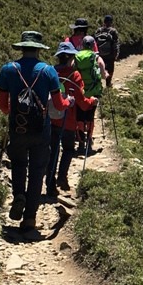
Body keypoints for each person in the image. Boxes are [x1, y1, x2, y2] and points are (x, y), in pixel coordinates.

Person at [0, 31, 72, 232]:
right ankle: (30, 217)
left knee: (19, 165)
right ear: (39, 49)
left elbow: (3, 106)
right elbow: (59, 103)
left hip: (17, 127)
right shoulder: (48, 72)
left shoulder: (8, 70)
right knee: (38, 170)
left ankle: (18, 195)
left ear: (21, 47)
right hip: (41, 129)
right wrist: (69, 102)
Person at [45, 42, 99, 197]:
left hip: (51, 119)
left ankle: (50, 184)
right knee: (68, 149)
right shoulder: (75, 76)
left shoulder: (52, 72)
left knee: (52, 151)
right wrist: (92, 102)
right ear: (71, 58)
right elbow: (81, 101)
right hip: (68, 120)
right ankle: (62, 177)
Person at [74, 35, 108, 156]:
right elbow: (103, 75)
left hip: (80, 93)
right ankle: (89, 140)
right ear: (93, 45)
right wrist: (106, 75)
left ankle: (80, 143)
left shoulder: (76, 57)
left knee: (79, 116)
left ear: (82, 45)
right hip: (93, 93)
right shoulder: (97, 58)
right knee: (90, 117)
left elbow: (73, 73)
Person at [94, 14, 120, 88]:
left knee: (98, 68)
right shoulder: (113, 31)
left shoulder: (99, 30)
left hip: (99, 54)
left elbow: (94, 42)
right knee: (110, 69)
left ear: (104, 21)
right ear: (111, 22)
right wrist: (116, 55)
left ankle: (98, 85)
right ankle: (108, 83)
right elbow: (116, 43)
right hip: (110, 54)